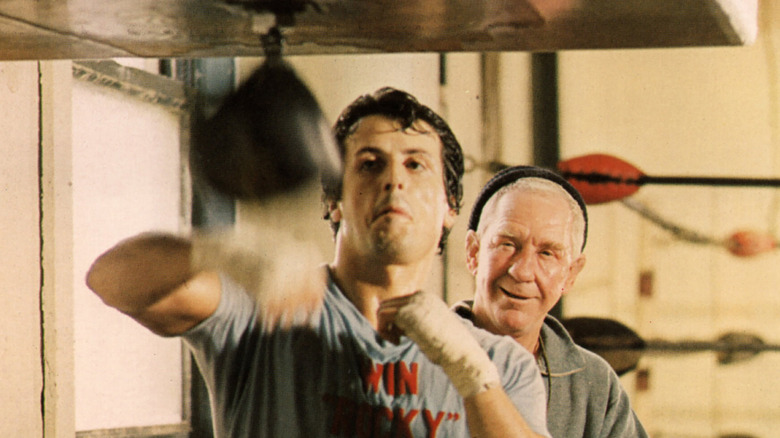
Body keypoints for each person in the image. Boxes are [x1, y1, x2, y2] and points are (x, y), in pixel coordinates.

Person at [86, 88, 551, 437]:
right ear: (334, 200)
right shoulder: (267, 309)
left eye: (415, 165)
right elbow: (109, 278)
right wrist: (218, 251)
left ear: (451, 207)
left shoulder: (499, 365)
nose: (393, 180)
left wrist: (471, 373)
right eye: (370, 163)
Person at [453, 165, 649, 437]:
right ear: (473, 252)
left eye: (547, 253)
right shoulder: (411, 356)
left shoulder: (595, 388)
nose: (522, 271)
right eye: (507, 244)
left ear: (571, 274)